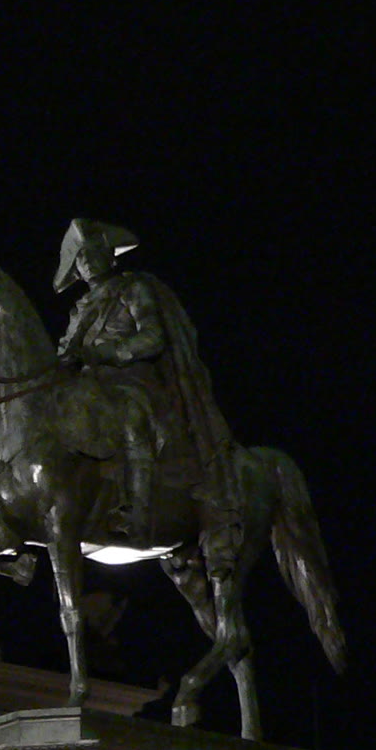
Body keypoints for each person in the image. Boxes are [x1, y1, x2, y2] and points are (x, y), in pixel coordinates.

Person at [53, 218, 240, 541]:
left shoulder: (133, 290)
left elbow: (153, 337)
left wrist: (109, 352)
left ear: (110, 256)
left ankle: (134, 510)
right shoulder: (79, 309)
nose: (88, 261)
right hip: (86, 385)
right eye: (81, 257)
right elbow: (66, 350)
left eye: (94, 252)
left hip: (130, 380)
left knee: (130, 416)